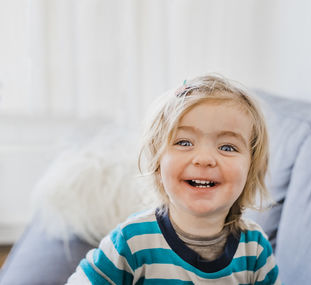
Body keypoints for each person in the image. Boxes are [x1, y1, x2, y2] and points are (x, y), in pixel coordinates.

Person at [67, 74, 281, 284]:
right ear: (158, 163)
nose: (204, 159)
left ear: (250, 169)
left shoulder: (255, 248)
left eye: (227, 147)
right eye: (184, 143)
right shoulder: (132, 241)